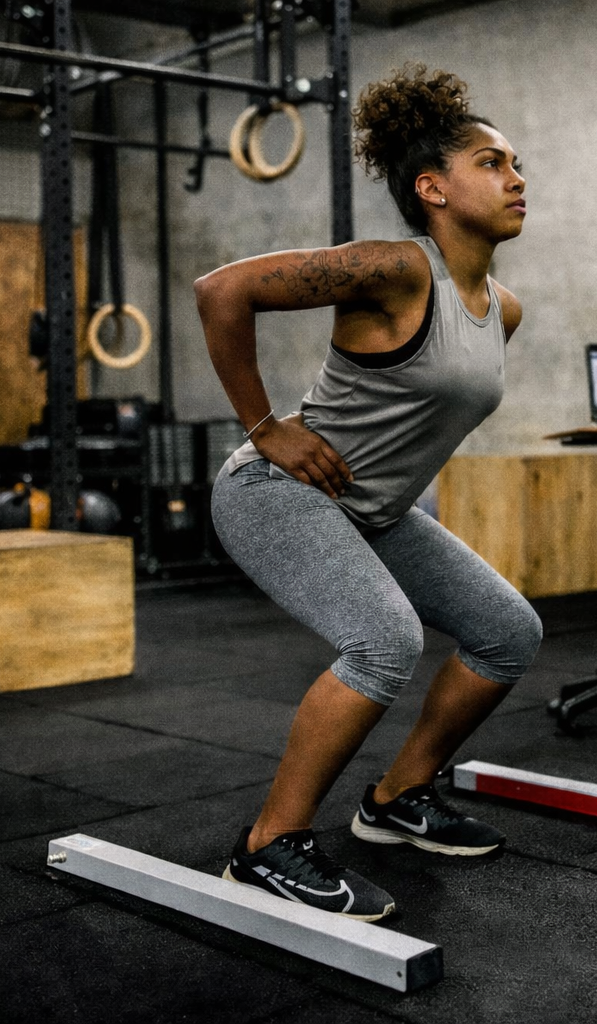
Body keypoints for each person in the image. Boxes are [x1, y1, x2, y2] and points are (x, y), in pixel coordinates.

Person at [194, 63, 542, 922]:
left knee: (507, 632)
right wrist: (264, 425)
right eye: (492, 162)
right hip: (275, 491)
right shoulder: (393, 270)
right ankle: (268, 845)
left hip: (371, 510)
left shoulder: (500, 309)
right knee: (383, 640)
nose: (516, 177)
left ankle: (395, 797)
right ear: (432, 187)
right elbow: (222, 290)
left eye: (516, 164)